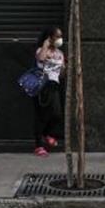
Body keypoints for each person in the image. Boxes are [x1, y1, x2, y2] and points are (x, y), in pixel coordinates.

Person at [32, 26, 66, 158]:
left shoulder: (60, 54)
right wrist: (46, 45)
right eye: (57, 36)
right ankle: (38, 145)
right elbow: (40, 59)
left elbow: (61, 74)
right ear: (50, 38)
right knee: (42, 115)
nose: (59, 39)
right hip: (43, 85)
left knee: (56, 113)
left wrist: (63, 68)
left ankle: (48, 134)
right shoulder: (42, 50)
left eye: (60, 36)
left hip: (54, 85)